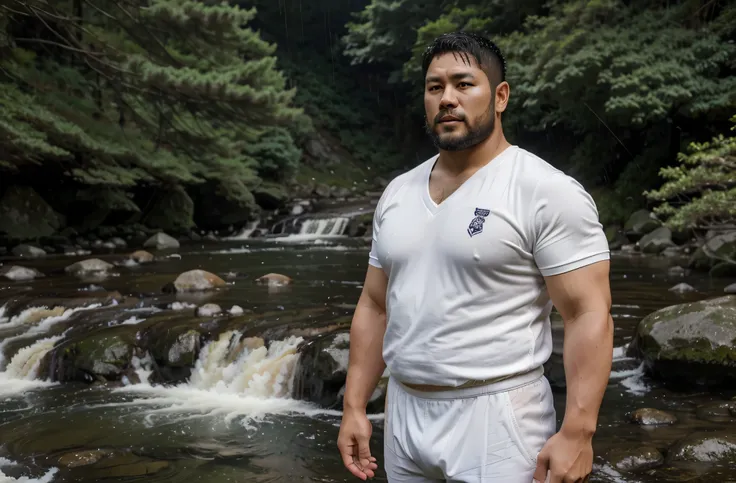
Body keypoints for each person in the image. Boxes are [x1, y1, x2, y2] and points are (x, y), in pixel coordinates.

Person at [336, 31, 613, 483]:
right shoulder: (397, 192)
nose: (447, 98)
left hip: (499, 416)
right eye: (435, 87)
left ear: (500, 96)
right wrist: (353, 406)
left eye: (464, 84)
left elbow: (588, 313)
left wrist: (578, 432)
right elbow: (375, 304)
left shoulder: (545, 191)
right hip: (404, 412)